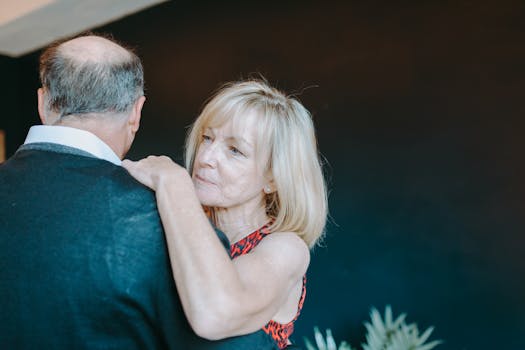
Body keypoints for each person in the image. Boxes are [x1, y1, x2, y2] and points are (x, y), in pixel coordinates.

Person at [0, 34, 277, 349]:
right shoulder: (162, 220)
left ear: (42, 102)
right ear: (136, 113)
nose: (208, 158)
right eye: (209, 139)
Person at [123, 79, 328, 349]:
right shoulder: (179, 218)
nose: (205, 156)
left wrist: (174, 182)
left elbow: (217, 312)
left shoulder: (287, 249)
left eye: (235, 150)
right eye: (207, 137)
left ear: (273, 178)